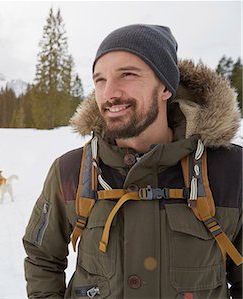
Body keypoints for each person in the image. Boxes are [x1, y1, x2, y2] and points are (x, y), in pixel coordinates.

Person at [23, 24, 242, 298]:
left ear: (165, 87)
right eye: (99, 79)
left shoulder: (231, 170)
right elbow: (42, 257)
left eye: (127, 74)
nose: (109, 92)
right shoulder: (71, 171)